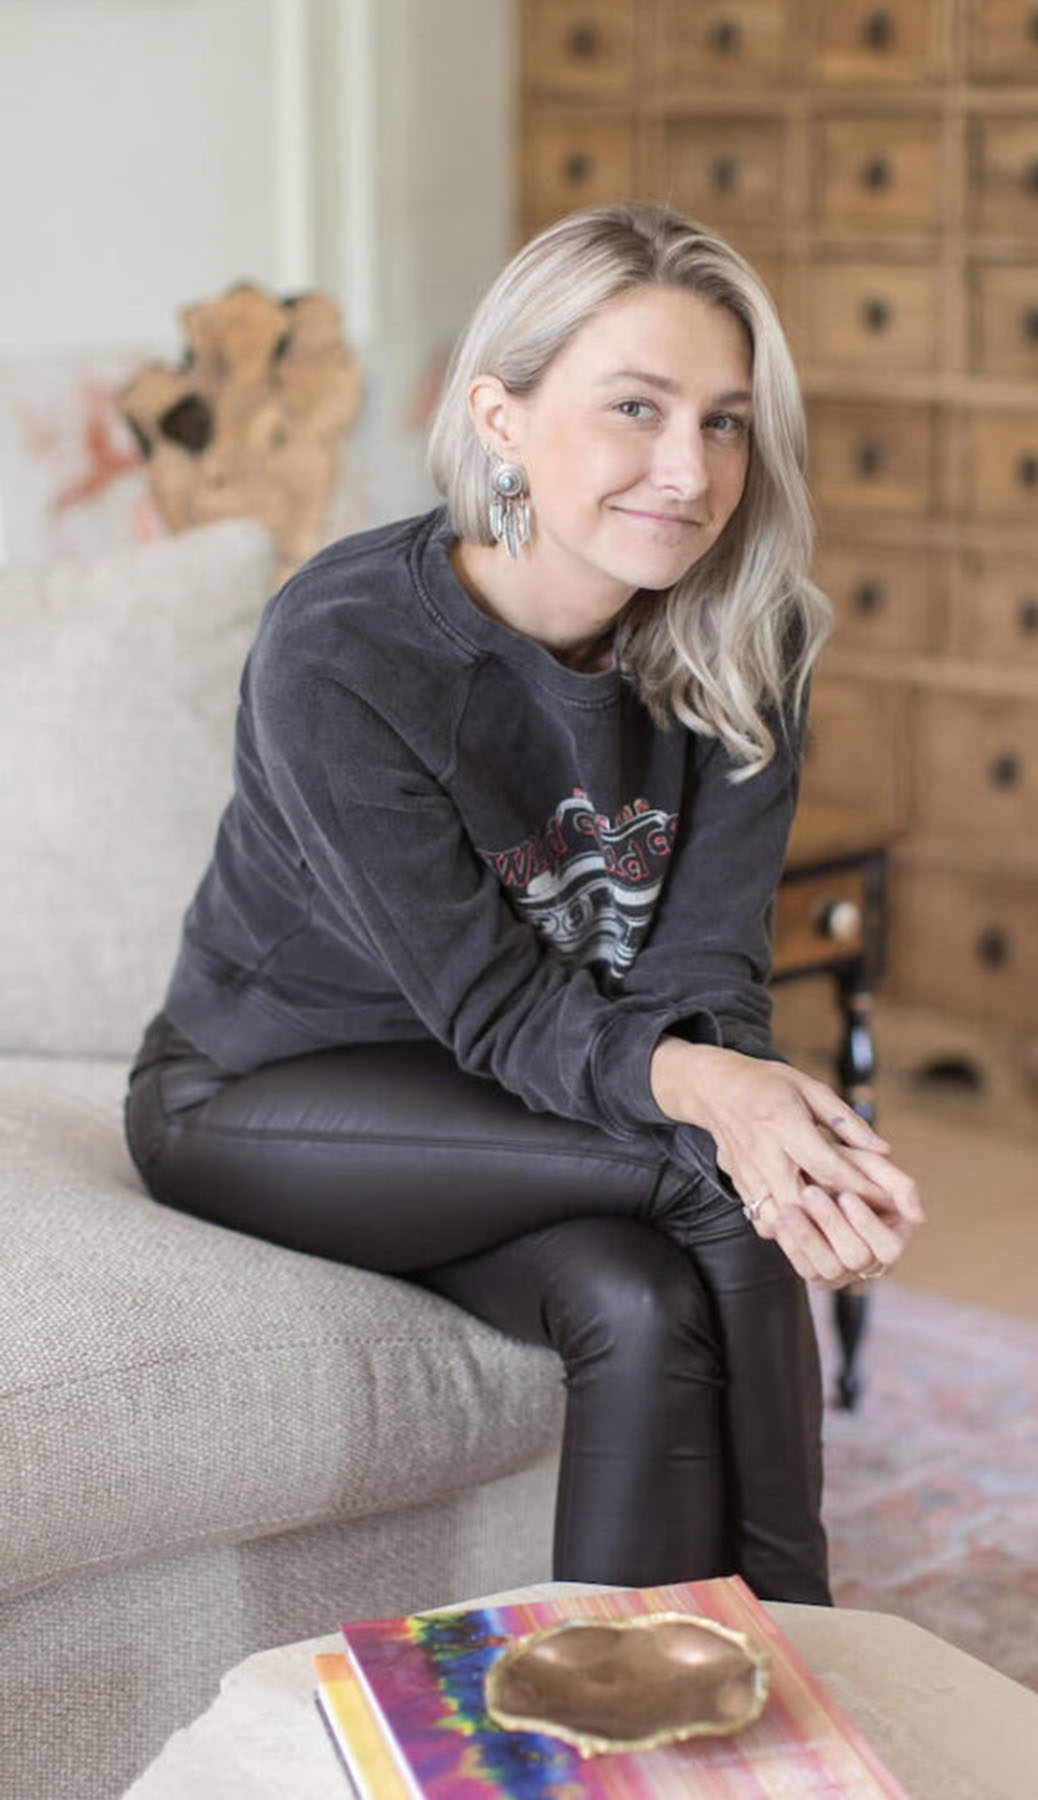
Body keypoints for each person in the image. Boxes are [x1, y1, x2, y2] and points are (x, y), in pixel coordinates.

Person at [124, 202, 924, 1607]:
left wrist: (736, 1083)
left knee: (639, 1296)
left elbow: (708, 972)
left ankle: (631, 1718)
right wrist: (733, 1112)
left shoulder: (751, 632)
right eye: (635, 407)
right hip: (265, 1090)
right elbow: (498, 1008)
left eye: (727, 422)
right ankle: (808, 1639)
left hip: (524, 1100)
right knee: (708, 1171)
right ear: (500, 415)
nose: (689, 470)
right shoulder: (346, 644)